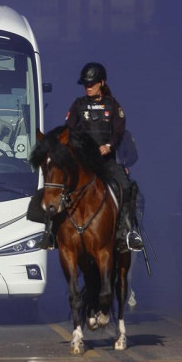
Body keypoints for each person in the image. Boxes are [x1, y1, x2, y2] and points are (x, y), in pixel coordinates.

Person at [38, 62, 141, 252]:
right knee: (56, 182)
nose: (88, 87)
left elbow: (119, 130)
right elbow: (69, 128)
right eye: (86, 84)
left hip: (105, 161)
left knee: (126, 186)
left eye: (92, 83)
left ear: (101, 82)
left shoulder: (113, 105)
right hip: (83, 161)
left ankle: (127, 233)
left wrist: (109, 145)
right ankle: (50, 233)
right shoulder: (78, 105)